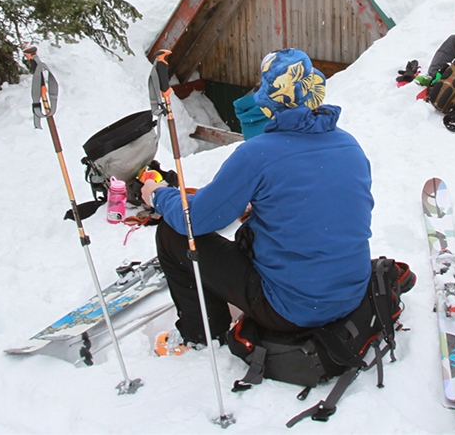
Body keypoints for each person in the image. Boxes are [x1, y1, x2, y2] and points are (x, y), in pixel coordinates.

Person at [141, 49, 373, 355]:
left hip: (292, 309)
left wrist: (157, 194)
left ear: (268, 101)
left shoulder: (257, 154)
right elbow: (326, 208)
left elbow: (194, 219)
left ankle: (200, 335)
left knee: (173, 234)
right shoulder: (349, 145)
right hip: (351, 295)